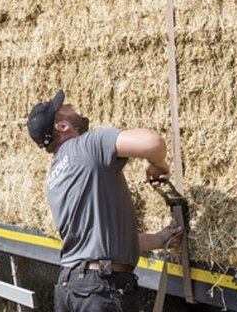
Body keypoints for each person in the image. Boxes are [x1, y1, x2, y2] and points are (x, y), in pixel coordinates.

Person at [27, 89, 182, 312]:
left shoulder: (55, 176)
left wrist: (158, 239)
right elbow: (153, 143)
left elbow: (98, 242)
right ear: (62, 126)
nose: (70, 106)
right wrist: (156, 164)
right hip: (99, 289)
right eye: (64, 107)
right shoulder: (87, 145)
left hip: (71, 287)